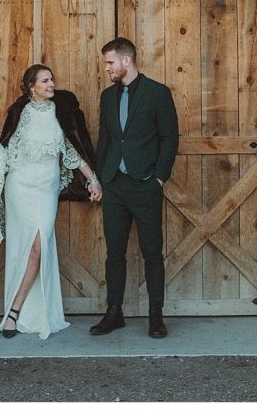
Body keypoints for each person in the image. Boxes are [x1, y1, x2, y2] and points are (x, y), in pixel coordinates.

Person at [0, 64, 101, 339]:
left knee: (38, 247)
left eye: (52, 79)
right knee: (23, 248)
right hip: (19, 185)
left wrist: (93, 179)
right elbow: (5, 150)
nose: (51, 84)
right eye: (45, 81)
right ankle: (16, 312)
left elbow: (71, 151)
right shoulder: (20, 113)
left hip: (46, 187)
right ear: (32, 86)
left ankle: (16, 310)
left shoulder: (61, 112)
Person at [91, 37, 178, 338]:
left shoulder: (158, 93)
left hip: (145, 186)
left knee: (152, 252)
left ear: (126, 60)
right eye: (106, 63)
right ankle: (114, 313)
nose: (107, 68)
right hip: (114, 186)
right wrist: (100, 179)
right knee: (114, 253)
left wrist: (159, 178)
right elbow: (105, 140)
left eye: (110, 62)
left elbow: (169, 138)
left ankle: (156, 315)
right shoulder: (106, 96)